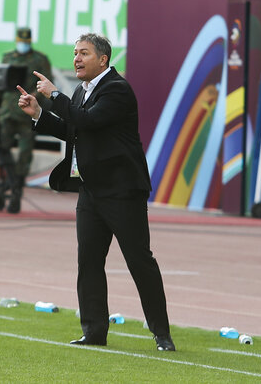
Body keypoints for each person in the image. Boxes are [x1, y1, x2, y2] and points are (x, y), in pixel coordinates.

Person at [16, 33, 175, 352]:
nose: (76, 58)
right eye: (75, 53)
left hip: (122, 191)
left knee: (139, 261)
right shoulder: (80, 90)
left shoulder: (117, 89)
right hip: (90, 190)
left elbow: (88, 121)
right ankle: (94, 331)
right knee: (88, 261)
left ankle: (161, 334)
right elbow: (73, 130)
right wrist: (38, 114)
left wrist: (54, 95)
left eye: (83, 53)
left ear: (103, 59)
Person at [0, 27, 52, 213]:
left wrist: (32, 97)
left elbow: (46, 85)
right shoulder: (7, 57)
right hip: (7, 111)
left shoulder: (39, 59)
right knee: (1, 148)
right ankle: (8, 182)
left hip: (27, 113)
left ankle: (15, 190)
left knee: (24, 154)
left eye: (26, 41)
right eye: (21, 40)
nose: (23, 45)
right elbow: (0, 82)